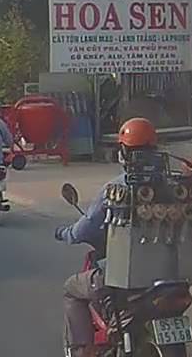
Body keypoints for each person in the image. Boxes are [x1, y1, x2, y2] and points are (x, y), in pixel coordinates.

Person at [54, 117, 157, 357]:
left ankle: (83, 350)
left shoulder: (116, 188)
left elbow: (86, 227)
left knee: (71, 289)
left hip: (125, 275)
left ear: (124, 152)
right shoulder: (173, 184)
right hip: (168, 275)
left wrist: (66, 233)